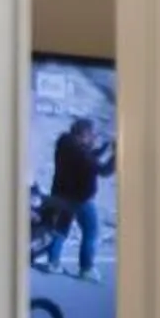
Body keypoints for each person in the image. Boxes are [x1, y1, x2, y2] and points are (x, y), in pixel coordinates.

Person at [39, 116, 114, 280]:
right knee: (91, 232)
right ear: (84, 134)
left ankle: (53, 263)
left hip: (62, 195)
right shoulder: (81, 154)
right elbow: (104, 171)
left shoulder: (64, 143)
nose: (94, 137)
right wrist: (117, 156)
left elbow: (87, 154)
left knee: (61, 229)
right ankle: (86, 269)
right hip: (80, 199)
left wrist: (104, 148)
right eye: (92, 135)